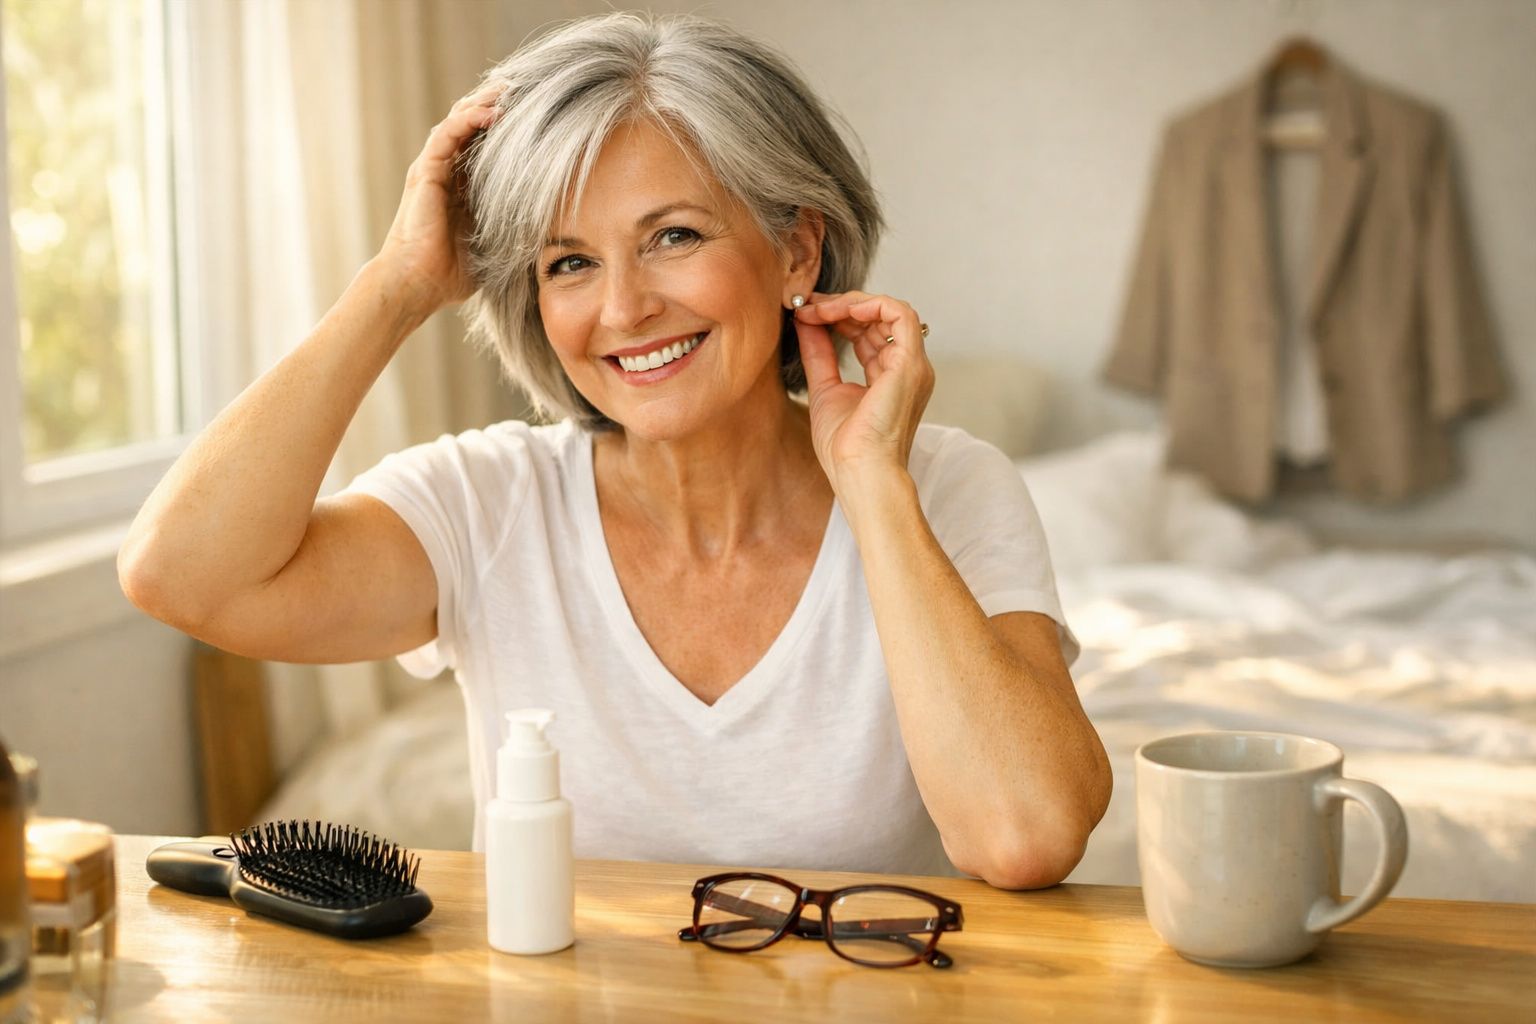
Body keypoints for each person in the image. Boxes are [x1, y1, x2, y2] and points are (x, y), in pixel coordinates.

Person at [119, 12, 1110, 889]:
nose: (624, 308)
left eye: (673, 235)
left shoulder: (948, 485)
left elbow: (1025, 834)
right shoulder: (488, 503)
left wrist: (872, 484)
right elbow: (179, 574)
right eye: (570, 262)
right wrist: (396, 287)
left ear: (797, 250)